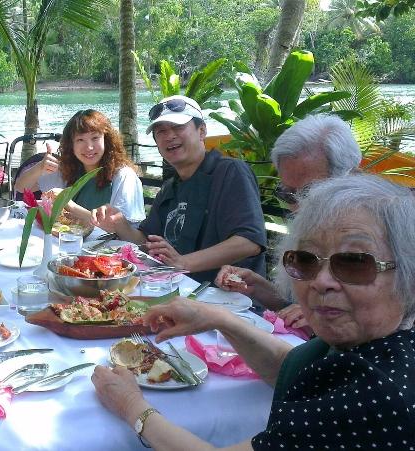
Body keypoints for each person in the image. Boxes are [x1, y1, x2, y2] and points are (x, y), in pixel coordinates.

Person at [92, 173, 415, 450]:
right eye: (306, 260)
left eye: (355, 262)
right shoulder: (374, 342)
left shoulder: (380, 394)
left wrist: (133, 408)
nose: (322, 281)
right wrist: (216, 317)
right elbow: (290, 369)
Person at [92, 95, 267, 282]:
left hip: (228, 298)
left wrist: (183, 263)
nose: (169, 136)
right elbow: (146, 240)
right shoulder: (170, 188)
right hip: (176, 289)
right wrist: (119, 222)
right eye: (161, 131)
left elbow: (249, 242)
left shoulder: (229, 172)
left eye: (178, 127)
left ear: (202, 131)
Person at [215, 114, 364, 331]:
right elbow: (293, 308)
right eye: (288, 192)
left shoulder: (382, 236)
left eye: (309, 192)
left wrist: (327, 315)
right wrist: (257, 287)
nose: (296, 206)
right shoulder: (316, 229)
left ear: (352, 178)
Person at [14, 109, 146, 225]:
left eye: (95, 138)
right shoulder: (71, 170)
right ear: (71, 145)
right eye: (80, 140)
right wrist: (40, 168)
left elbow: (119, 228)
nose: (89, 147)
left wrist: (68, 204)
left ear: (106, 140)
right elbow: (20, 187)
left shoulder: (123, 176)